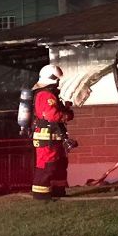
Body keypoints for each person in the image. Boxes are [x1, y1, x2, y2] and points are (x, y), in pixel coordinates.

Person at [31, 64, 74, 200]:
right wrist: (66, 115)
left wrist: (65, 109)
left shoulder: (51, 94)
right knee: (47, 166)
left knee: (59, 164)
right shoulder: (45, 95)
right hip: (46, 139)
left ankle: (58, 191)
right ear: (53, 79)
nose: (59, 83)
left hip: (54, 137)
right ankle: (41, 195)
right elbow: (52, 115)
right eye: (58, 79)